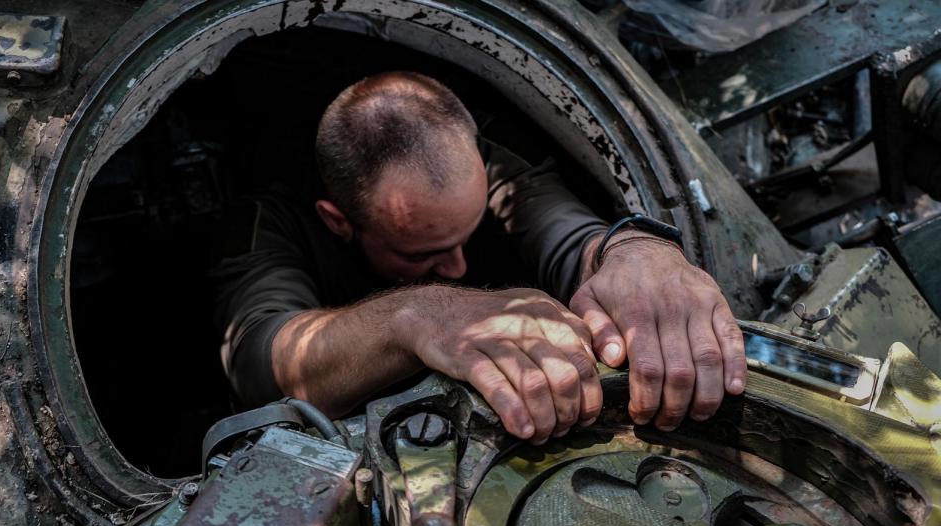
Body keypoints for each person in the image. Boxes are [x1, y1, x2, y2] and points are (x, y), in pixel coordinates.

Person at [214, 71, 746, 444]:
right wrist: (416, 318)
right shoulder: (268, 222)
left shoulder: (492, 165)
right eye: (423, 253)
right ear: (338, 220)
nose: (459, 268)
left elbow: (565, 233)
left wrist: (634, 251)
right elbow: (263, 357)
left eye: (466, 236)